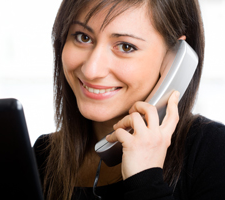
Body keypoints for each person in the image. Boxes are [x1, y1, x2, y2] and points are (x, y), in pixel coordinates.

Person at [34, 0, 225, 199]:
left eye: (126, 46)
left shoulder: (212, 152)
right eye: (83, 37)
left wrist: (146, 179)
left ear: (174, 59)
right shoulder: (42, 157)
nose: (91, 70)